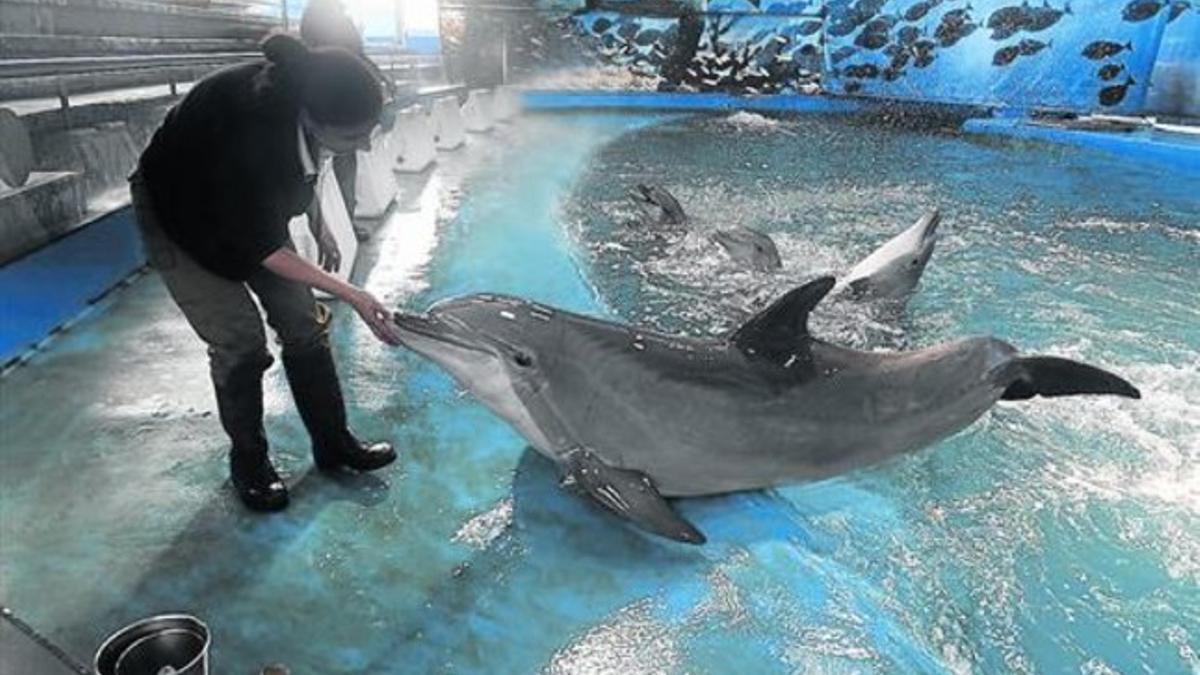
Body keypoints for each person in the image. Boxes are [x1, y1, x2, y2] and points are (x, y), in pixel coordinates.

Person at [130, 33, 401, 512]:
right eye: (353, 136)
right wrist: (354, 294)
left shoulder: (306, 94)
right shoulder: (251, 134)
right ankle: (250, 461)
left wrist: (320, 224)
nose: (362, 146)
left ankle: (334, 441)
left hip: (239, 209)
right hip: (177, 211)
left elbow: (307, 165)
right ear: (312, 117)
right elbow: (262, 249)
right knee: (239, 341)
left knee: (302, 322)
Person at [301, 0, 370, 237]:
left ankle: (347, 223)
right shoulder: (315, 15)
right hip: (327, 100)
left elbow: (359, 54)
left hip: (346, 100)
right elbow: (310, 53)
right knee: (314, 169)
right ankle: (321, 227)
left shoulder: (344, 21)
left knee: (347, 165)